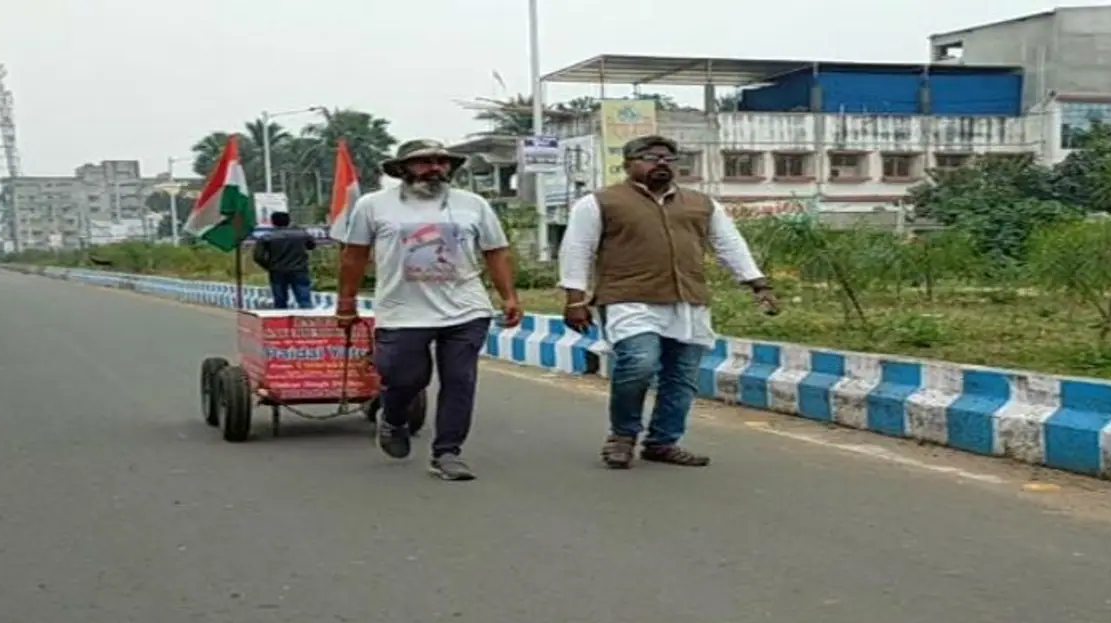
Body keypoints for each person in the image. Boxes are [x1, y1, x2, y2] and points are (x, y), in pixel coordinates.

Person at [558, 135, 779, 470]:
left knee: (682, 376)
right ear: (628, 163)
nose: (660, 163)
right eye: (649, 156)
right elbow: (577, 249)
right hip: (629, 300)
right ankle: (622, 435)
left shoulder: (702, 203)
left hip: (688, 301)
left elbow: (729, 244)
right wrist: (575, 299)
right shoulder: (599, 202)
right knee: (639, 364)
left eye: (669, 158)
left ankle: (663, 441)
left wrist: (757, 284)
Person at [334, 139, 522, 481]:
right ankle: (393, 417)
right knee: (406, 377)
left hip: (466, 309)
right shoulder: (373, 206)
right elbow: (354, 254)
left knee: (459, 380)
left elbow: (496, 251)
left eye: (441, 162)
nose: (435, 168)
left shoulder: (473, 205)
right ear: (403, 169)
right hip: (402, 311)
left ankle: (447, 452)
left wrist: (509, 296)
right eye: (424, 162)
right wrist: (345, 304)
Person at [253, 211, 317, 309]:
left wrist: (269, 266)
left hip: (277, 271)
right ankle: (307, 321)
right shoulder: (302, 234)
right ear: (288, 221)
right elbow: (312, 246)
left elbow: (258, 256)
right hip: (299, 270)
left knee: (280, 301)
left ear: (273, 222)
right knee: (304, 300)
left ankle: (280, 322)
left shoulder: (267, 237)